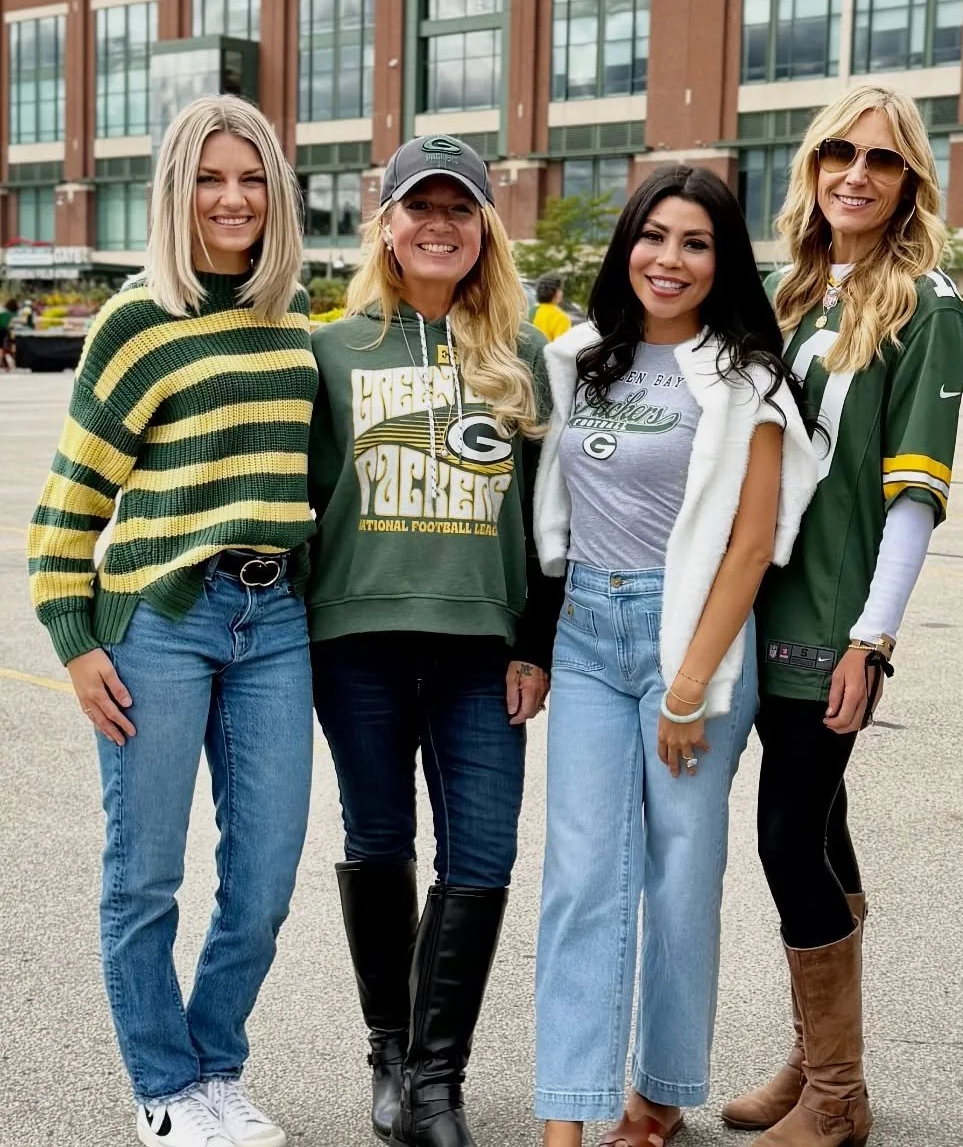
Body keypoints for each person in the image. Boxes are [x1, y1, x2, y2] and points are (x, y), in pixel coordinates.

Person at [28, 95, 317, 1147]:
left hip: (275, 622)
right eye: (209, 178)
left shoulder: (293, 326)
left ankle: (214, 1068)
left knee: (266, 877)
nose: (233, 198)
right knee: (144, 873)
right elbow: (69, 506)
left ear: (277, 195)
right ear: (175, 195)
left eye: (251, 178)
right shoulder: (136, 325)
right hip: (160, 622)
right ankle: (164, 1085)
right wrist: (74, 636)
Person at [532, 165, 817, 1147]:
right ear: (628, 245)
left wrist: (690, 685)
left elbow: (751, 541)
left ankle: (656, 1094)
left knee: (680, 869)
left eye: (696, 243)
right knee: (578, 876)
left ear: (722, 260)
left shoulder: (747, 379)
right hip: (586, 633)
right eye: (655, 236)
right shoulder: (582, 357)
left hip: (688, 641)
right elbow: (550, 509)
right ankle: (567, 1114)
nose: (670, 259)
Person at [724, 84, 963, 1147]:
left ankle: (838, 1098)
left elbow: (912, 495)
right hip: (758, 608)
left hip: (832, 628)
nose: (855, 175)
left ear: (911, 179)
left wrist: (871, 640)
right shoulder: (795, 293)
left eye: (880, 160)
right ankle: (816, 1059)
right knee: (819, 834)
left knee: (787, 838)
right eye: (837, 154)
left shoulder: (930, 306)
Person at [306, 133, 559, 1147]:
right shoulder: (330, 348)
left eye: (461, 209)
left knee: (484, 858)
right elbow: (300, 498)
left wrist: (535, 641)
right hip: (356, 643)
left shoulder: (525, 354)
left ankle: (440, 1080)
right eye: (422, 207)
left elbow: (552, 520)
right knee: (378, 846)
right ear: (388, 224)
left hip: (480, 653)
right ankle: (391, 1054)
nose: (440, 225)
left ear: (485, 228)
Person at [530, 271, 572, 342]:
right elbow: (561, 348)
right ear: (556, 293)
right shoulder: (561, 318)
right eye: (560, 289)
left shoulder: (531, 310)